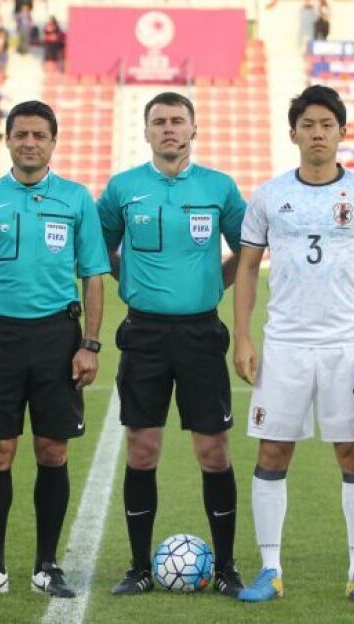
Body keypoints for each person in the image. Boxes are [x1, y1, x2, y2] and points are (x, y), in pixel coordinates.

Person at [233, 85, 354, 606]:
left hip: (346, 348)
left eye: (327, 125)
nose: (318, 134)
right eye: (308, 125)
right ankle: (270, 570)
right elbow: (246, 269)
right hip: (284, 345)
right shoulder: (268, 196)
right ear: (293, 134)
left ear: (342, 132)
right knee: (272, 451)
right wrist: (243, 335)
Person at [97, 91, 247, 598]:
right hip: (144, 333)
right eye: (159, 121)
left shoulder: (219, 187)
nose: (168, 128)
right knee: (143, 448)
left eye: (177, 120)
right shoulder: (123, 188)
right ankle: (139, 567)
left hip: (202, 333)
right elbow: (98, 246)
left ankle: (226, 567)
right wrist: (129, 279)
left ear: (193, 129)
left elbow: (249, 249)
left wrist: (216, 282)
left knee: (213, 450)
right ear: (145, 131)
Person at [0, 100, 109, 599]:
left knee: (52, 450)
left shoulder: (76, 199)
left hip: (57, 339)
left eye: (39, 135)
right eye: (20, 134)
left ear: (53, 142)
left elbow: (93, 275)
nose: (29, 143)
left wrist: (89, 344)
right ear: (7, 140)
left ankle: (47, 565)